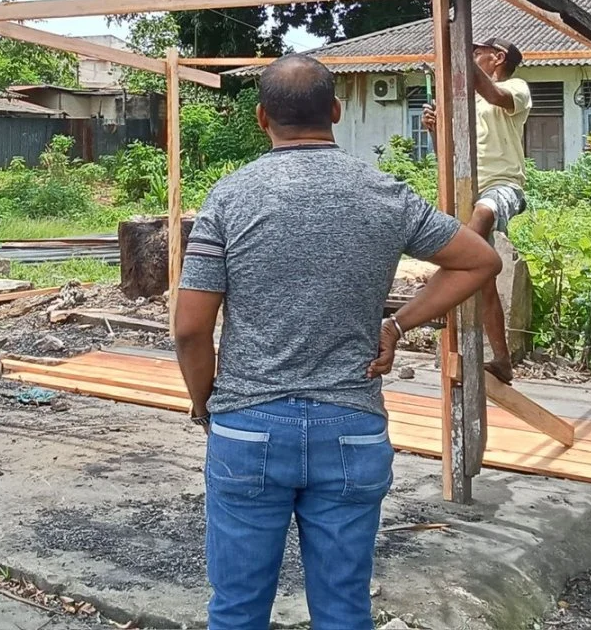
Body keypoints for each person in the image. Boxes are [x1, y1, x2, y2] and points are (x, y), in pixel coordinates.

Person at [174, 56, 502, 629]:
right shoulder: (384, 194)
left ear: (260, 118)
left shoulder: (229, 198)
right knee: (345, 610)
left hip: (249, 427)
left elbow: (190, 327)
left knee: (236, 609)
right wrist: (397, 324)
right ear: (335, 110)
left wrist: (205, 399)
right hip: (351, 427)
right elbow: (479, 261)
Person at [422, 36, 532, 383]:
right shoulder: (464, 103)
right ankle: (502, 360)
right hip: (466, 187)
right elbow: (447, 158)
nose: (470, 57)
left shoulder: (516, 87)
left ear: (497, 57)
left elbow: (494, 94)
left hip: (502, 186)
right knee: (480, 273)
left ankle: (437, 287)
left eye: (476, 52)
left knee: (477, 225)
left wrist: (458, 56)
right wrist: (435, 132)